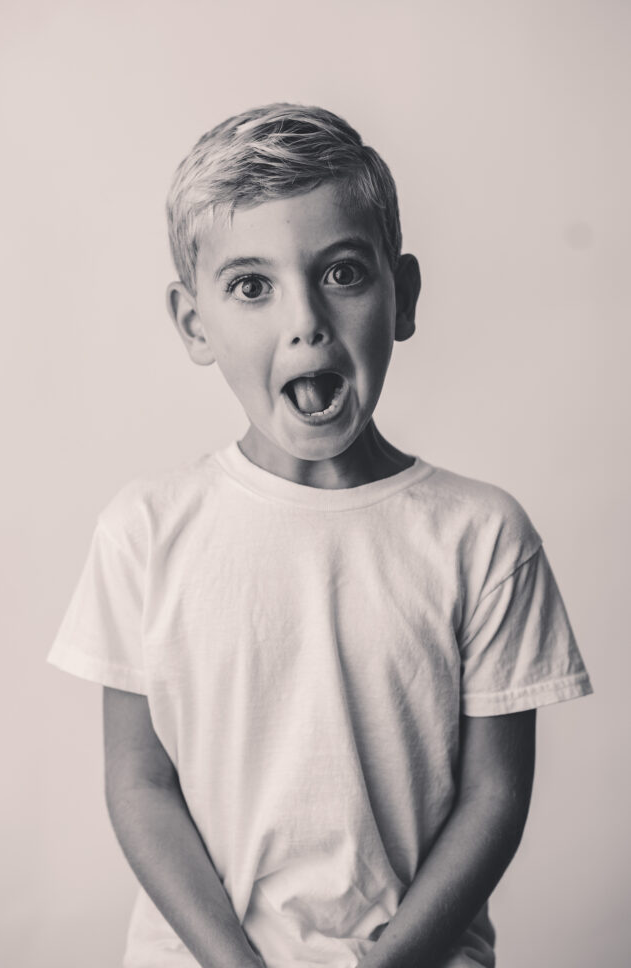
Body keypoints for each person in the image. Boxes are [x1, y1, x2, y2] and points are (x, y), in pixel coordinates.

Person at [47, 103, 592, 968]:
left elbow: (495, 795)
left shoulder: (482, 536)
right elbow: (140, 783)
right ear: (195, 324)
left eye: (341, 272)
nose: (305, 320)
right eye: (251, 286)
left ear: (401, 295)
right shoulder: (144, 532)